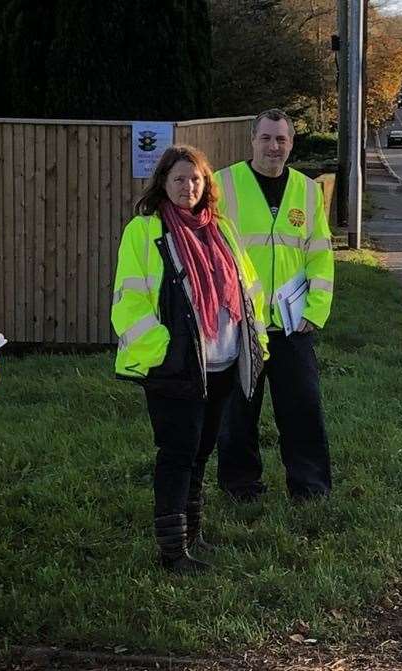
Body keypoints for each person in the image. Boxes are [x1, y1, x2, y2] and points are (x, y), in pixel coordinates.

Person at [111, 145, 269, 574]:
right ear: (163, 181)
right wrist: (163, 352)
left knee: (201, 453)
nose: (188, 187)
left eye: (196, 178)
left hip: (221, 363)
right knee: (177, 453)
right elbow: (129, 303)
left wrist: (254, 345)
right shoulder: (145, 231)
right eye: (179, 178)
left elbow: (248, 291)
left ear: (207, 184)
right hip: (175, 367)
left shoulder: (222, 229)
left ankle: (192, 535)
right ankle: (172, 552)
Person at [214, 108, 334, 501]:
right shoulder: (222, 185)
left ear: (291, 144)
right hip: (240, 323)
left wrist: (315, 311)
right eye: (266, 138)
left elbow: (320, 254)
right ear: (252, 140)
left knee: (302, 408)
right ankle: (240, 488)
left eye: (281, 139)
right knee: (237, 412)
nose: (273, 147)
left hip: (291, 324)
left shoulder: (307, 190)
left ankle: (310, 488)